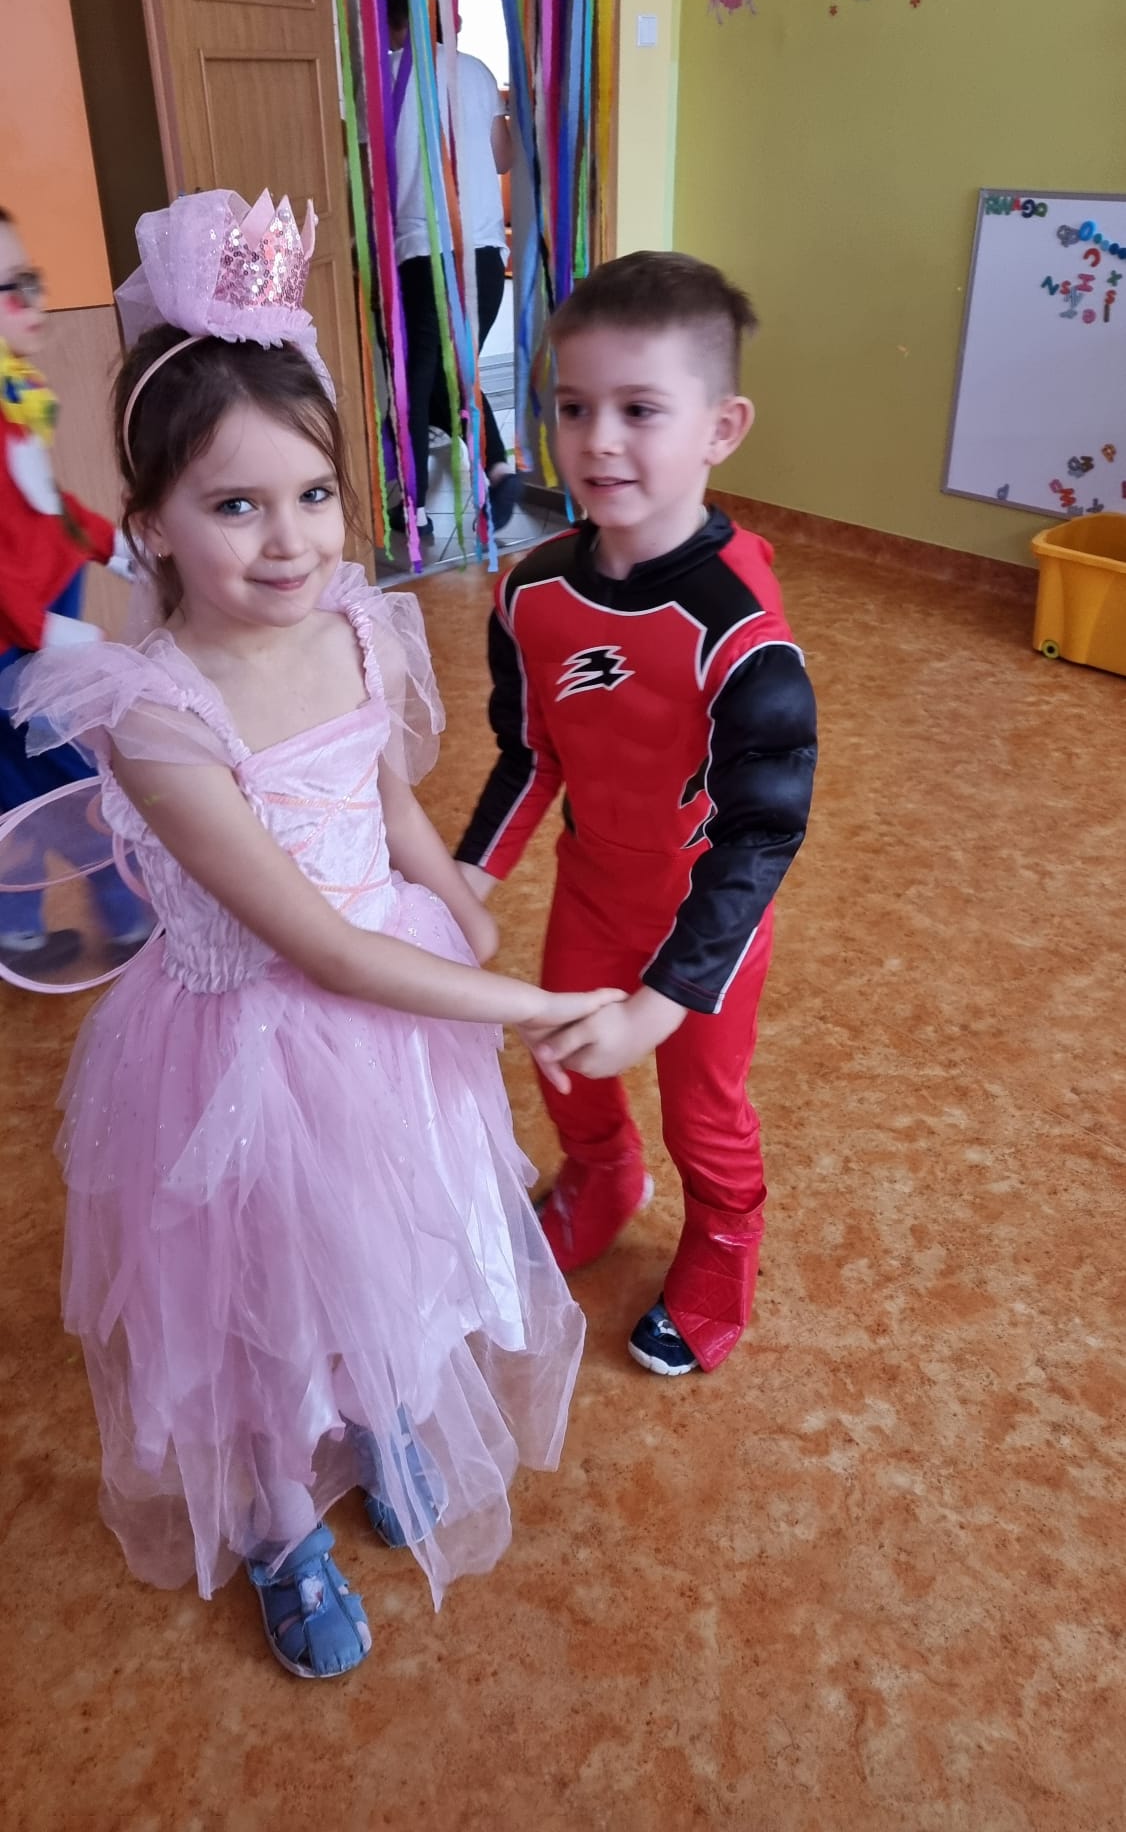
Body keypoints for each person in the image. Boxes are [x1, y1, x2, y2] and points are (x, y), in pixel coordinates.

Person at [1, 189, 619, 1681]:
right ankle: (280, 1521)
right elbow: (319, 948)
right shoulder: (155, 713)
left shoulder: (353, 619)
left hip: (390, 1011)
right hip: (252, 1050)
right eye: (234, 506)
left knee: (392, 1247)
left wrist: (451, 887)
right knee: (266, 1305)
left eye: (315, 494)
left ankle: (387, 1411)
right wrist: (528, 1004)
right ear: (149, 523)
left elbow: (379, 789)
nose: (290, 542)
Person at [456, 251, 818, 1379]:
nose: (598, 440)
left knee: (702, 1101)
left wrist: (661, 1002)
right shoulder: (531, 591)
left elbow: (763, 834)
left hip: (707, 917)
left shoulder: (742, 629)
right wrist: (464, 878)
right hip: (593, 886)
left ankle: (723, 1236)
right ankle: (601, 1174)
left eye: (639, 410)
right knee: (563, 1058)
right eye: (574, 407)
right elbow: (530, 752)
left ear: (721, 428)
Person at [0, 205, 143, 975]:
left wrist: (116, 548)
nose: (33, 299)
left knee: (21, 783)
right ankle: (133, 915)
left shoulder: (14, 399)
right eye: (10, 287)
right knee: (71, 779)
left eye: (31, 278)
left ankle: (18, 927)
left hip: (42, 619)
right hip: (19, 642)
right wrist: (51, 636)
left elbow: (46, 510)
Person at [383, 0, 524, 542]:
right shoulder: (476, 71)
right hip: (485, 255)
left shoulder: (380, 76)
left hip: (421, 252)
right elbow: (502, 158)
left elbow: (369, 172)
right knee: (455, 371)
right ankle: (498, 470)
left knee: (416, 377)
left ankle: (412, 504)